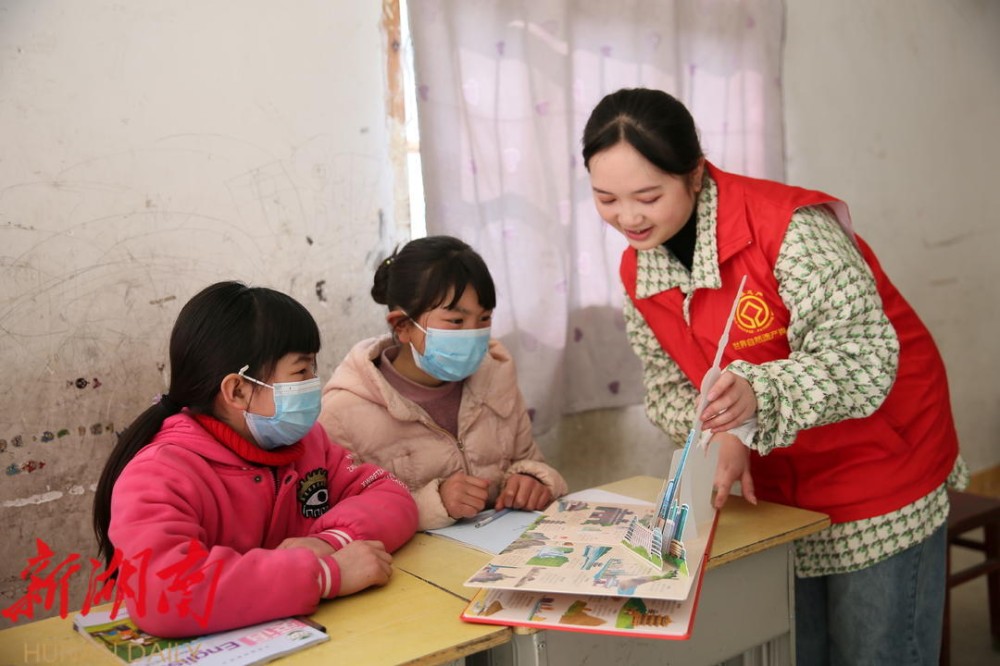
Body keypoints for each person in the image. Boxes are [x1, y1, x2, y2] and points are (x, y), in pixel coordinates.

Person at [581, 87, 967, 665]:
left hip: (877, 462)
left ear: (694, 174)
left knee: (876, 650)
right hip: (774, 487)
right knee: (791, 649)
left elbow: (862, 356)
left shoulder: (788, 228)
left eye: (648, 196)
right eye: (605, 198)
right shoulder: (639, 268)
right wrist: (722, 429)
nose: (628, 218)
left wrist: (755, 398)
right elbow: (665, 387)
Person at [92, 281, 418, 637]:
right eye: (301, 372)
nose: (314, 382)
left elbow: (391, 495)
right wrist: (324, 575)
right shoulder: (160, 473)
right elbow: (166, 595)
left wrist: (329, 542)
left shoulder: (308, 444)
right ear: (238, 390)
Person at [318, 235, 568, 530]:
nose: (473, 333)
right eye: (456, 322)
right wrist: (433, 504)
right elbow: (340, 520)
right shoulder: (342, 412)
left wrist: (531, 479)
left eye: (484, 318)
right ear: (403, 326)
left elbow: (528, 458)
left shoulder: (496, 374)